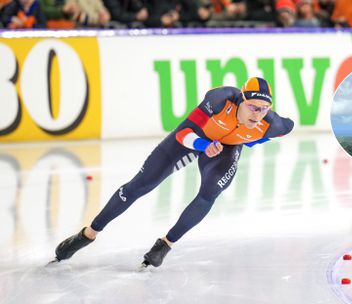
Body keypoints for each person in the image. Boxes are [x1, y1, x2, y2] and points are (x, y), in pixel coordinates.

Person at [53, 77, 294, 268]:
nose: (257, 114)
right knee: (140, 185)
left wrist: (253, 140)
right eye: (253, 107)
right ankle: (88, 234)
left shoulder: (271, 124)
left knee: (210, 193)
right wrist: (203, 145)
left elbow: (288, 127)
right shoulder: (219, 99)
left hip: (226, 147)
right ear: (241, 99)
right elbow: (183, 133)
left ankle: (165, 244)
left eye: (264, 109)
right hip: (197, 138)